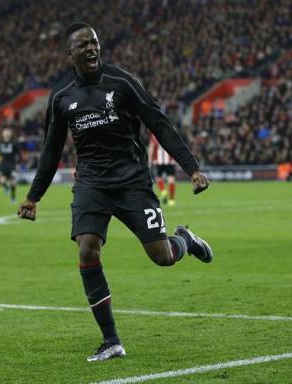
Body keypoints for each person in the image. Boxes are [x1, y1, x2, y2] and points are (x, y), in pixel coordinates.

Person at [17, 22, 213, 362]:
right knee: (87, 250)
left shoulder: (122, 82)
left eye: (95, 42)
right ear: (70, 55)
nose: (92, 48)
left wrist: (192, 168)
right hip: (91, 183)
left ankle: (185, 240)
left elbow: (158, 122)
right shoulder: (62, 99)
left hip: (132, 181)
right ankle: (111, 340)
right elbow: (51, 151)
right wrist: (34, 196)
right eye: (84, 44)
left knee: (162, 257)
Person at [148, 133, 177, 206]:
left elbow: (151, 147)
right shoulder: (170, 133)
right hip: (169, 160)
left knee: (158, 178)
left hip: (158, 161)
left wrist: (150, 160)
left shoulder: (154, 135)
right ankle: (171, 200)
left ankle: (163, 191)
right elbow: (175, 146)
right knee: (171, 180)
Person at [0, 128, 20, 203]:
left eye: (8, 132)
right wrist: (0, 158)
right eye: (5, 132)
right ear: (3, 134)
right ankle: (6, 187)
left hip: (12, 164)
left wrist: (17, 164)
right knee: (2, 180)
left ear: (11, 134)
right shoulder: (0, 143)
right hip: (3, 164)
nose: (6, 133)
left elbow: (18, 154)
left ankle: (13, 198)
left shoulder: (14, 143)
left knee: (12, 181)